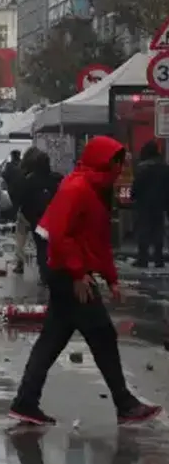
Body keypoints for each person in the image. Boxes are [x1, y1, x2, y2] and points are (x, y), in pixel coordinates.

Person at [10, 136, 162, 426]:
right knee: (101, 335)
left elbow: (98, 242)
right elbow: (60, 235)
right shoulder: (77, 188)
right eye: (118, 163)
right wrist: (78, 273)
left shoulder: (96, 189)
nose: (121, 169)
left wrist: (111, 279)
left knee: (53, 339)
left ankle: (26, 401)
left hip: (70, 272)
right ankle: (124, 404)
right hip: (69, 274)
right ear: (105, 162)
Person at [19, 150, 62, 282]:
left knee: (41, 247)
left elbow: (24, 201)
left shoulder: (30, 180)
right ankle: (55, 271)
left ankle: (44, 273)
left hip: (37, 219)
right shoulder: (56, 179)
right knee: (54, 245)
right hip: (54, 218)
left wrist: (30, 217)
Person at [130, 139, 167, 268]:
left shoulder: (142, 168)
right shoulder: (164, 168)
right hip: (160, 204)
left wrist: (132, 196)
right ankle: (159, 259)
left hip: (144, 204)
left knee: (143, 231)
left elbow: (136, 186)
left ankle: (143, 259)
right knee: (158, 231)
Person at [9, 147, 42, 274]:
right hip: (41, 212)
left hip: (25, 211)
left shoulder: (21, 173)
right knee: (40, 241)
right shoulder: (43, 173)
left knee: (20, 238)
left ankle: (20, 263)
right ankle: (43, 266)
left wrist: (17, 205)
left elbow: (15, 191)